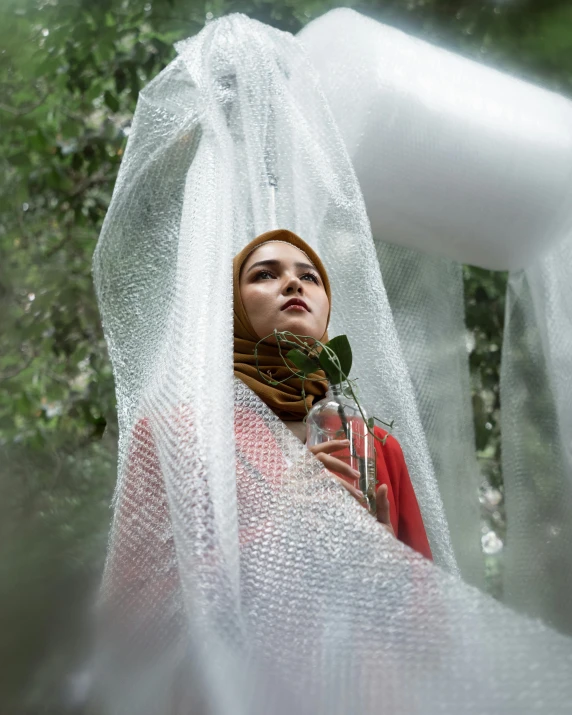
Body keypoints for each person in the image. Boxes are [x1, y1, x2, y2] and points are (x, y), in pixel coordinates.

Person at [233, 229, 432, 560]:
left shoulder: (377, 446)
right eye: (265, 274)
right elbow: (145, 596)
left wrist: (386, 570)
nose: (294, 284)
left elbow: (427, 601)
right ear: (232, 305)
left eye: (310, 277)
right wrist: (278, 531)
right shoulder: (181, 435)